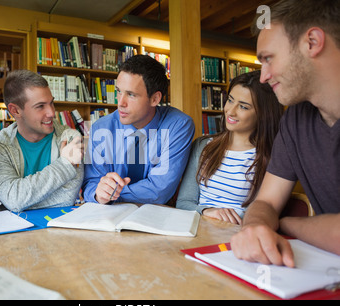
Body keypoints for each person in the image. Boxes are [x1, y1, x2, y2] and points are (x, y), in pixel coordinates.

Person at [231, 0, 340, 266]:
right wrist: (255, 228)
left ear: (312, 42)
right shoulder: (295, 118)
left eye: (268, 59)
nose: (263, 77)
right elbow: (266, 203)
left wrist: (287, 224)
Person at [82, 55, 195, 204]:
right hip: (109, 216)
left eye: (131, 95)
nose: (120, 103)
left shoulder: (178, 125)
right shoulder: (101, 127)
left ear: (155, 99)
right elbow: (91, 184)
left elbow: (159, 190)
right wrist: (99, 193)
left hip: (156, 218)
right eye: (119, 91)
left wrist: (113, 195)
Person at [176, 71, 283, 224]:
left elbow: (264, 215)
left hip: (238, 234)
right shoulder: (202, 146)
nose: (230, 111)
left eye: (244, 107)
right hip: (196, 229)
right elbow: (183, 203)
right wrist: (207, 211)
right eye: (230, 100)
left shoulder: (270, 157)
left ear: (263, 114)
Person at [0, 70, 83, 212]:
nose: (51, 113)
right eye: (40, 106)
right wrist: (65, 165)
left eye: (51, 103)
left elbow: (67, 198)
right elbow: (14, 200)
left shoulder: (71, 138)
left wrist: (22, 203)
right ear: (15, 111)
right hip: (13, 233)